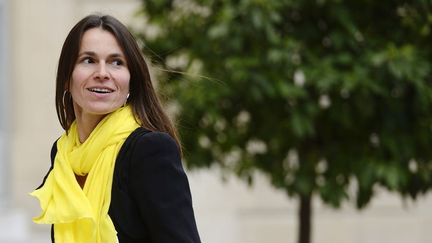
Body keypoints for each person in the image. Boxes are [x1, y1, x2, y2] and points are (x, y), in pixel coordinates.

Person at [30, 14, 201, 243]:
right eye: (88, 60)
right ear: (66, 78)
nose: (102, 73)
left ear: (131, 80)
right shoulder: (63, 155)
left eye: (116, 62)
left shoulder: (149, 150)